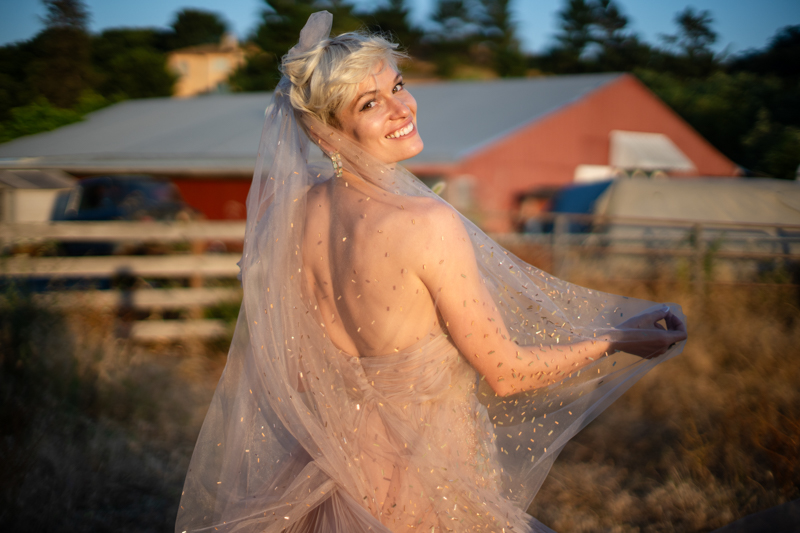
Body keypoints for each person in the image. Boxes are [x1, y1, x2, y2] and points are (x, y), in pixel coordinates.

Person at [176, 12, 686, 533]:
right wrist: (617, 340)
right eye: (370, 103)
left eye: (397, 85)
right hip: (423, 479)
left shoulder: (289, 212)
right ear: (327, 133)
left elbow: (296, 373)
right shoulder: (427, 223)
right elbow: (507, 374)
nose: (402, 108)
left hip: (325, 467)